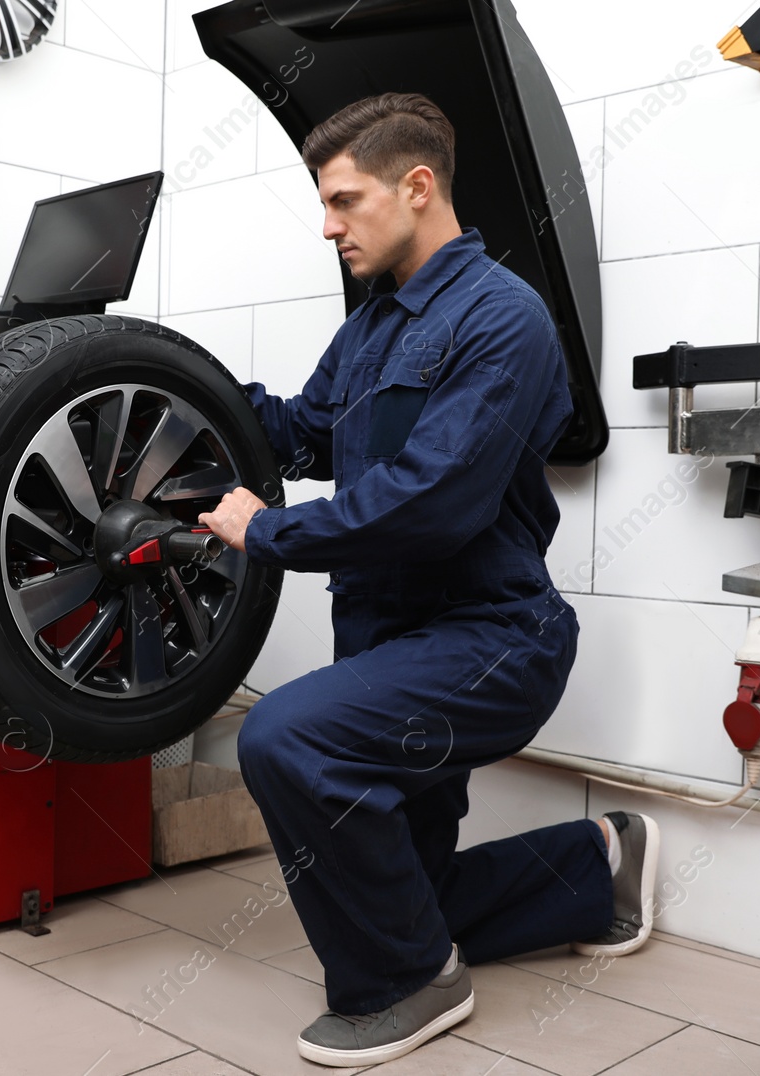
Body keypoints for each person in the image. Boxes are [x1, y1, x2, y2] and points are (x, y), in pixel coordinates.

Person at [196, 92, 661, 1068]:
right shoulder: (372, 327)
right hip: (385, 639)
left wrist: (266, 529)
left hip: (487, 642)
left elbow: (430, 504)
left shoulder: (504, 318)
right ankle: (598, 861)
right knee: (405, 890)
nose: (327, 225)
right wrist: (170, 378)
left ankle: (408, 984)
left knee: (283, 736)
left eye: (343, 200)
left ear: (416, 186)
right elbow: (298, 430)